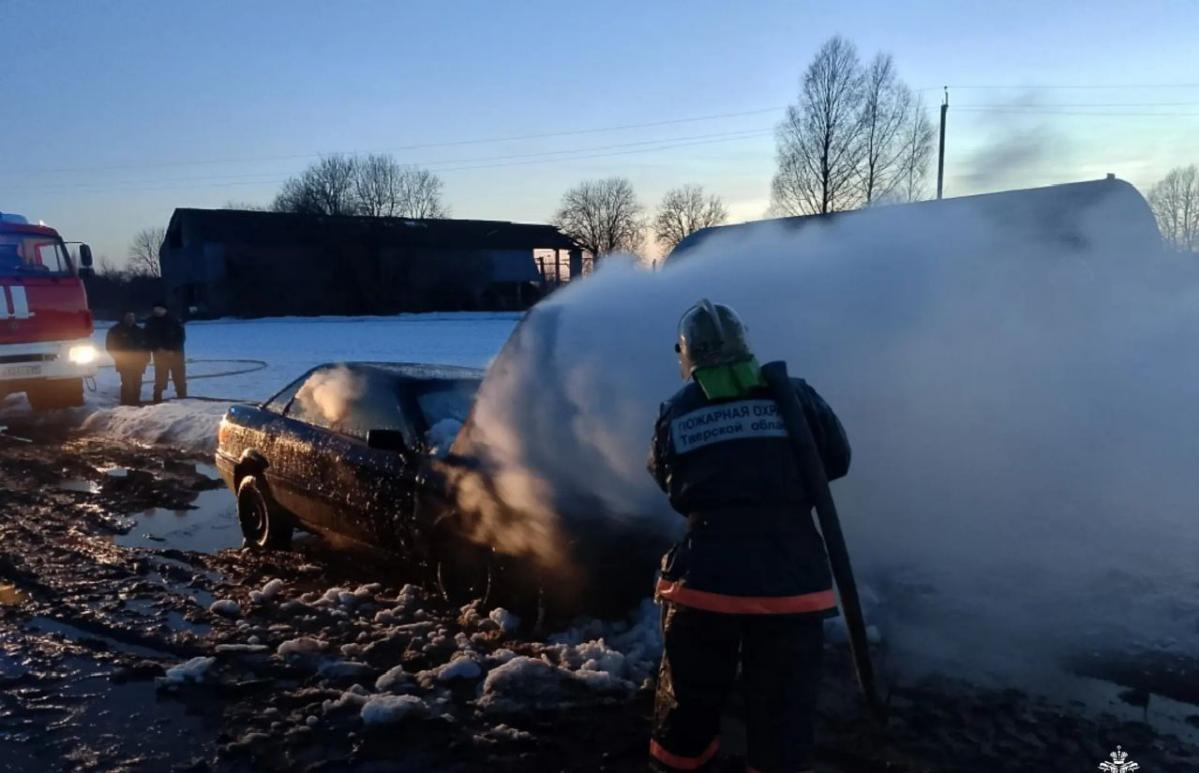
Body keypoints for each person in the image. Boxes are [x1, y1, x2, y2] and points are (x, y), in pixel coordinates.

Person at [646, 300, 851, 773]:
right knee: (783, 712)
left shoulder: (679, 410)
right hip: (792, 583)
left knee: (688, 706)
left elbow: (668, 481)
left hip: (704, 584)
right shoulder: (797, 398)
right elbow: (835, 461)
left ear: (687, 354)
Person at [144, 301, 187, 402]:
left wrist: (173, 350)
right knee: (160, 379)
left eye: (160, 309)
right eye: (155, 309)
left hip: (176, 355)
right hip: (159, 355)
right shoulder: (150, 322)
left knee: (179, 378)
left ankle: (183, 398)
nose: (157, 311)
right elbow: (147, 337)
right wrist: (157, 348)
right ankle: (157, 399)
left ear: (165, 310)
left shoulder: (174, 320)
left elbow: (181, 337)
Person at [104, 312, 149, 406]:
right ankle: (126, 405)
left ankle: (136, 404)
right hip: (124, 363)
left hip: (139, 363)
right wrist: (120, 358)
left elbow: (146, 346)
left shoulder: (139, 330)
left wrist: (146, 359)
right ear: (123, 316)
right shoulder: (115, 330)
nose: (131, 318)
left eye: (132, 316)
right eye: (128, 316)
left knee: (137, 384)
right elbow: (110, 347)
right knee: (127, 385)